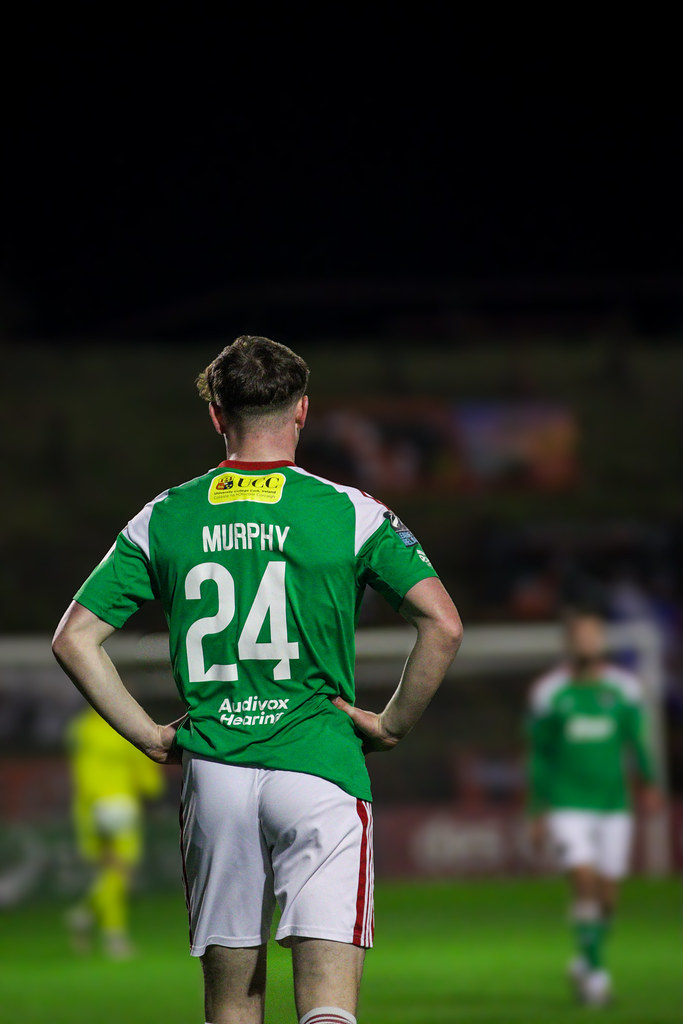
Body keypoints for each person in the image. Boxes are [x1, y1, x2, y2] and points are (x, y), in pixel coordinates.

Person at [52, 336, 462, 1024]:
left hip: (215, 776)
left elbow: (74, 640)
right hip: (319, 767)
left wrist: (151, 736)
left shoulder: (165, 515)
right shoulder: (349, 511)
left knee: (232, 1007)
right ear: (302, 411)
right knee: (328, 1006)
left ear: (217, 416)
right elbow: (442, 625)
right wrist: (390, 724)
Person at [526, 609, 661, 1007]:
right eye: (581, 636)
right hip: (568, 805)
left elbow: (636, 740)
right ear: (569, 643)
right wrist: (537, 810)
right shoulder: (550, 693)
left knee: (607, 897)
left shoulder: (624, 689)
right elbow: (540, 755)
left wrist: (650, 783)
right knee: (584, 881)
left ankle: (585, 960)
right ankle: (598, 979)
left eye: (594, 635)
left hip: (613, 805)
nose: (588, 642)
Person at [66, 704, 164, 957]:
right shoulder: (124, 724)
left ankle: (88, 916)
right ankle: (111, 935)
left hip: (88, 807)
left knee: (108, 871)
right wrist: (152, 788)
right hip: (119, 803)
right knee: (121, 872)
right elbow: (143, 767)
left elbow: (79, 768)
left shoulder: (82, 728)